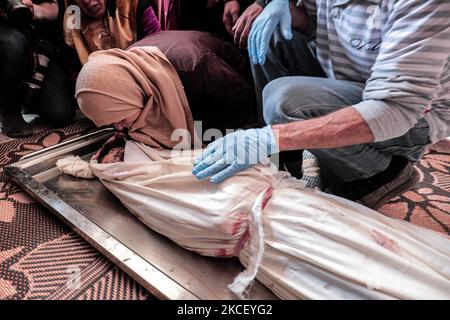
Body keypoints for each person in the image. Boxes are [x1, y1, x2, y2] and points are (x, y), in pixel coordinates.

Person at [192, 0, 450, 209]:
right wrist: (289, 13)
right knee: (270, 36)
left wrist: (270, 137)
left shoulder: (425, 5)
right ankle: (285, 163)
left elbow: (395, 109)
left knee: (285, 100)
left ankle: (377, 175)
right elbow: (318, 26)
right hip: (351, 80)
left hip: (411, 116)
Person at [76, 31, 256, 145]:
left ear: (130, 95)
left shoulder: (196, 68)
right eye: (111, 123)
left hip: (230, 86)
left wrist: (202, 137)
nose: (119, 127)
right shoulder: (127, 71)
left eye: (120, 118)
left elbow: (243, 101)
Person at [0, 0, 76, 137]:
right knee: (12, 43)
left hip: (40, 47)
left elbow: (55, 9)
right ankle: (9, 111)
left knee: (61, 114)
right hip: (6, 38)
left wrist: (33, 10)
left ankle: (29, 96)